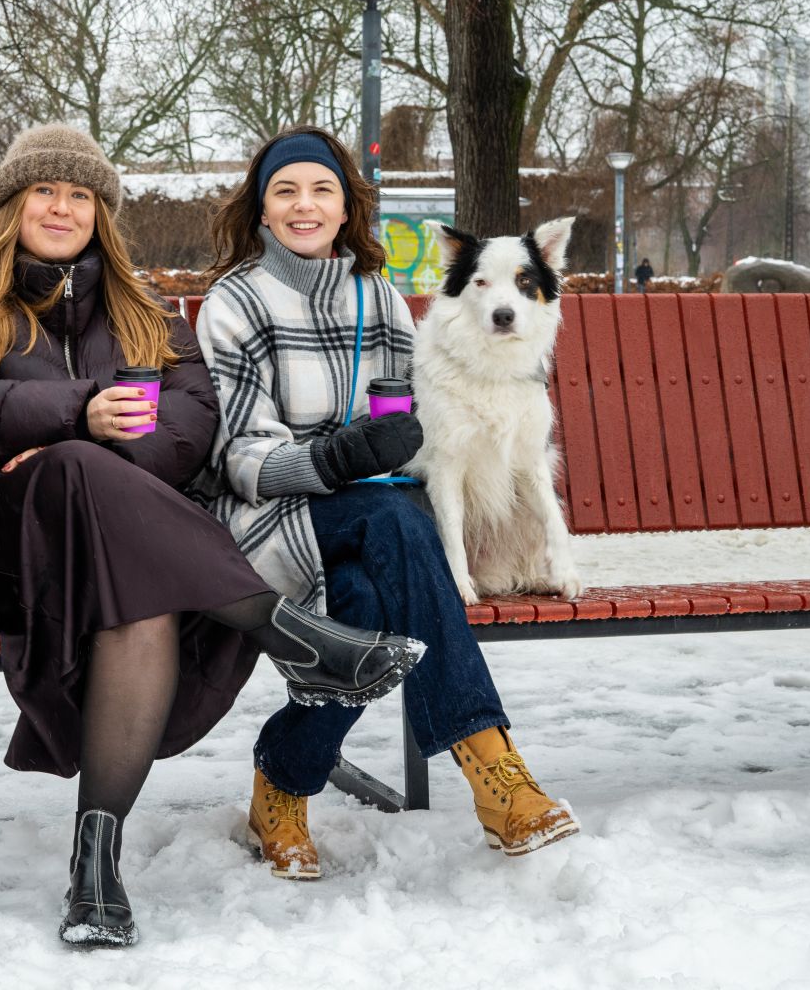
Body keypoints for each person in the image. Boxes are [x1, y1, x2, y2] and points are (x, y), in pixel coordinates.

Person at [0, 124, 421, 947]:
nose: (62, 206)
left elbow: (192, 425)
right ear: (11, 205)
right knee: (73, 466)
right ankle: (280, 628)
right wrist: (79, 418)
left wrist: (94, 446)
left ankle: (96, 869)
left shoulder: (147, 312)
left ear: (102, 214)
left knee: (136, 594)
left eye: (80, 194)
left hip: (127, 553)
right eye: (45, 190)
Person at [195, 126, 579, 878]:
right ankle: (494, 771)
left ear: (346, 208)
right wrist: (331, 457)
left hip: (376, 525)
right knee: (397, 521)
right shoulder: (233, 303)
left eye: (322, 190)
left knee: (369, 608)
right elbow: (236, 456)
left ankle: (281, 782)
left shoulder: (375, 295)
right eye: (286, 191)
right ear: (263, 209)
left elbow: (421, 410)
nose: (305, 205)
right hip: (273, 519)